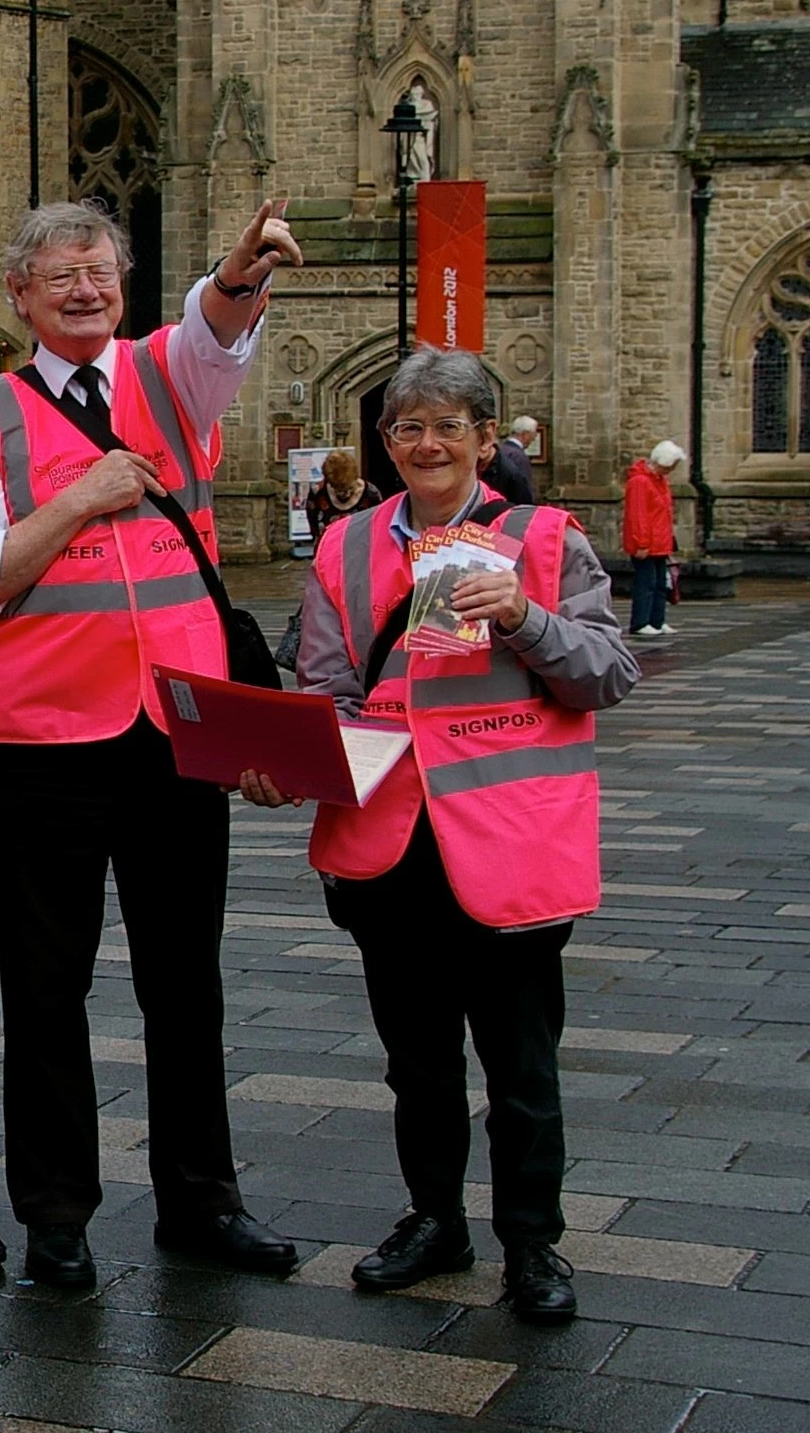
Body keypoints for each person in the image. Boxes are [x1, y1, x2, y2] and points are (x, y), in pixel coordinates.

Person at [0, 196, 302, 1290]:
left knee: (183, 982)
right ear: (20, 296)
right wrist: (78, 501)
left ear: (122, 285)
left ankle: (202, 1198)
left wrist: (237, 267)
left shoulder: (164, 378)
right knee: (43, 989)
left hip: (173, 730)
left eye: (98, 272)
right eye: (59, 277)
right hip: (42, 742)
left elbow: (217, 330)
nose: (82, 290)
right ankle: (55, 1214)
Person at [244, 348, 636, 1325]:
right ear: (383, 442)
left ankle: (532, 1244)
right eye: (405, 427)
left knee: (518, 1064)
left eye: (446, 426)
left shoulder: (542, 538)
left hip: (507, 844)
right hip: (386, 840)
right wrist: (284, 763)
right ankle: (433, 1219)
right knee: (414, 1059)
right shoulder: (343, 546)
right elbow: (331, 688)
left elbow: (607, 671)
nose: (424, 443)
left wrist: (524, 617)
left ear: (483, 440)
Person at [623, 441, 684, 638]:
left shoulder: (660, 480)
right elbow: (638, 515)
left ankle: (657, 620)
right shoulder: (640, 482)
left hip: (660, 542)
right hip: (647, 544)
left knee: (660, 584)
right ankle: (641, 621)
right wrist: (641, 543)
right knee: (646, 583)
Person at [306, 449, 381, 539]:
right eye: (336, 488)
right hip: (328, 549)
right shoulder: (318, 492)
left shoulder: (371, 494)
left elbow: (378, 527)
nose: (343, 494)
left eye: (348, 488)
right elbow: (313, 526)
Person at [481, 416, 538, 506]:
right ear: (525, 434)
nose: (534, 438)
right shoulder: (518, 456)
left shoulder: (500, 450)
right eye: (533, 434)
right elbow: (524, 491)